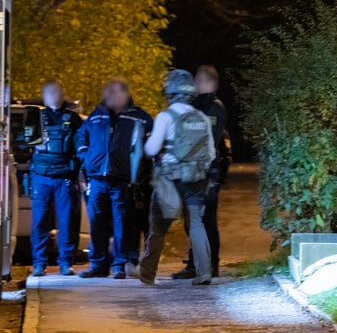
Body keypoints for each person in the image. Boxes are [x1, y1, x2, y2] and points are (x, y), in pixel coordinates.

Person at [129, 70, 215, 286]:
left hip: (169, 180)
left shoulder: (165, 117)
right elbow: (211, 153)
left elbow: (150, 149)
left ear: (169, 91)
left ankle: (147, 272)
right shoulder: (202, 117)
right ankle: (204, 272)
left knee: (157, 227)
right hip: (196, 179)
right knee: (196, 223)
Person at [76, 77, 153, 279]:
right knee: (97, 223)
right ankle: (98, 265)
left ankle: (119, 265)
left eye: (114, 92)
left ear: (125, 94)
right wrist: (86, 156)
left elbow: (151, 146)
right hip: (97, 179)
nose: (109, 95)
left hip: (123, 181)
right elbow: (81, 136)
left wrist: (141, 170)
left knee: (122, 225)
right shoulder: (97, 115)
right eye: (107, 92)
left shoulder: (140, 118)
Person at [172, 65, 228, 280]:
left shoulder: (214, 108)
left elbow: (207, 141)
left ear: (206, 83)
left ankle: (211, 264)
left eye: (196, 82)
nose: (193, 86)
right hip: (191, 171)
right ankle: (196, 264)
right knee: (193, 220)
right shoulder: (195, 106)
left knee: (206, 220)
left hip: (207, 173)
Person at [29, 79, 84, 277]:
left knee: (67, 222)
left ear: (63, 94)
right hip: (41, 177)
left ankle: (65, 263)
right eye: (49, 92)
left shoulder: (73, 119)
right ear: (43, 96)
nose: (53, 95)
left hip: (64, 178)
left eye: (57, 91)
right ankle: (39, 263)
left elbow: (82, 147)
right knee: (39, 222)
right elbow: (24, 144)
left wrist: (82, 174)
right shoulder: (36, 117)